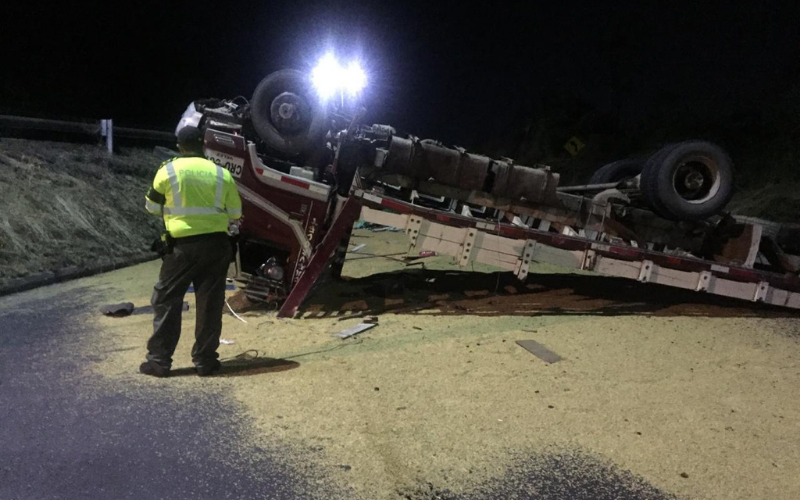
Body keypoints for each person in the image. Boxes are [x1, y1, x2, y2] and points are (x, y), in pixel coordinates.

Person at [139, 126, 242, 378]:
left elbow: (152, 206)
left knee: (166, 300)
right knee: (210, 303)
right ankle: (206, 361)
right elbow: (235, 214)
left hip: (181, 248)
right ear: (204, 145)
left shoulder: (168, 170)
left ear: (179, 146)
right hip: (216, 247)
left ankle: (159, 361)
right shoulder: (221, 174)